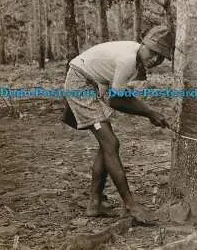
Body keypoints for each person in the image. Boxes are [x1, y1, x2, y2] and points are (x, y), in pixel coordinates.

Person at [61, 25, 173, 224]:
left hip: (94, 84)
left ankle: (94, 204)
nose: (155, 59)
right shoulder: (128, 60)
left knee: (108, 145)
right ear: (144, 44)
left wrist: (149, 113)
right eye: (153, 52)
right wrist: (149, 113)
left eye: (161, 56)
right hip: (81, 83)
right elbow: (117, 100)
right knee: (111, 144)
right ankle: (130, 205)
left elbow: (121, 94)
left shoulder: (135, 58)